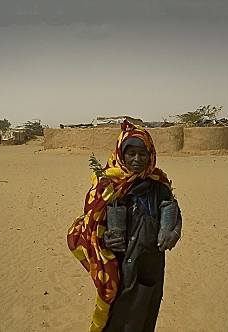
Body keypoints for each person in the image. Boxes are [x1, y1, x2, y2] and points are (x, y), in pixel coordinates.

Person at [67, 121, 183, 332]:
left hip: (150, 266)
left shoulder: (159, 185)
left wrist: (175, 231)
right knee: (118, 320)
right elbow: (91, 225)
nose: (137, 159)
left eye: (142, 153)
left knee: (145, 317)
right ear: (121, 154)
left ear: (151, 155)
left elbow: (174, 213)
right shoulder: (109, 186)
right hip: (119, 268)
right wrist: (105, 240)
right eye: (131, 154)